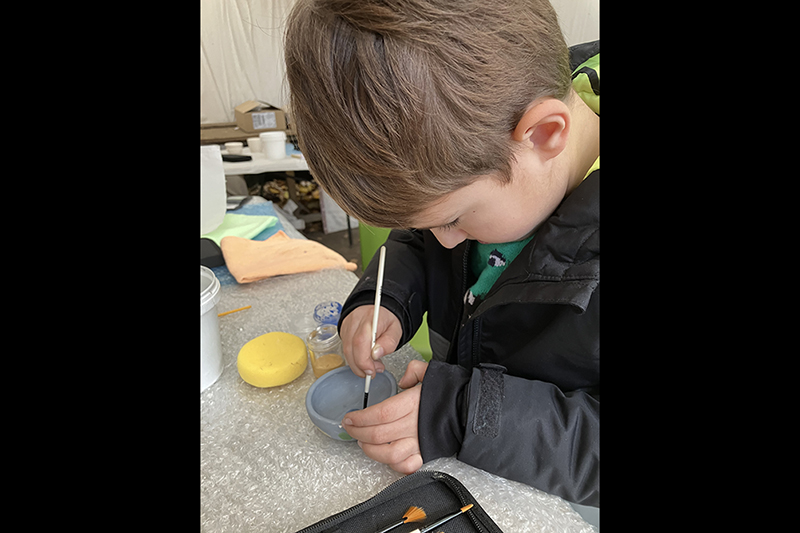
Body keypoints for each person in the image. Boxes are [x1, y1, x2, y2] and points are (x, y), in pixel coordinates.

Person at [284, 0, 599, 507]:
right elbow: (422, 236)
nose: (443, 239)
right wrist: (386, 297)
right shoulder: (485, 138)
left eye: (452, 219)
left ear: (544, 134)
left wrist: (463, 413)